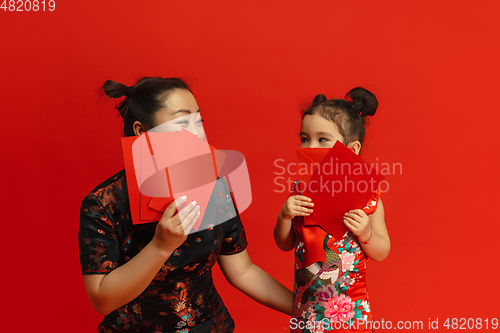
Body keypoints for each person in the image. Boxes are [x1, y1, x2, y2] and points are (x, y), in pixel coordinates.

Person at [79, 77, 293, 332]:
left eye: (199, 121)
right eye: (182, 122)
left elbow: (243, 271)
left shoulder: (214, 187)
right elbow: (102, 299)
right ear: (141, 131)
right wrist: (160, 246)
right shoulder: (104, 203)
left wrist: (306, 308)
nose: (197, 133)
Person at [274, 88, 390, 332]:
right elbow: (285, 244)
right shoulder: (299, 191)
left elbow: (381, 252)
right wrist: (285, 216)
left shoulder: (367, 197)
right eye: (304, 139)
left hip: (350, 311)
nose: (310, 147)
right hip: (306, 309)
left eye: (322, 139)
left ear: (352, 149)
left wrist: (366, 232)